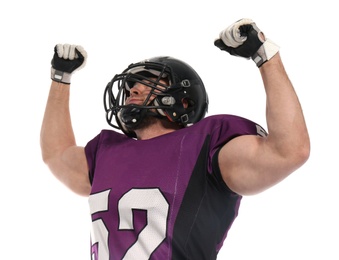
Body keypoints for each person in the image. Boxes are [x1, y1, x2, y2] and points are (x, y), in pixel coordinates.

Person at [40, 18, 310, 260]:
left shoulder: (204, 145)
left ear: (183, 100)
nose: (133, 88)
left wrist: (265, 55)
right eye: (131, 84)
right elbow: (56, 153)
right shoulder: (106, 152)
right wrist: (60, 78)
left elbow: (289, 150)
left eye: (148, 80)